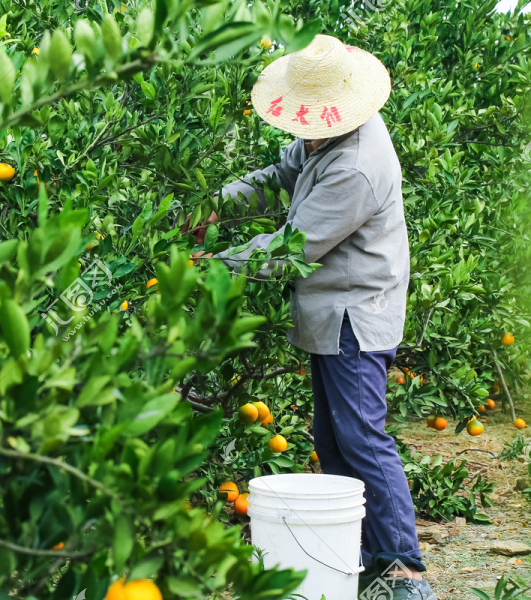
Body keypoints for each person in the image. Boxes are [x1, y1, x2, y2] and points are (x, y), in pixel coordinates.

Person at [185, 34, 437, 599]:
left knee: (362, 437)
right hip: (330, 308)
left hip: (355, 314)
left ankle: (405, 569)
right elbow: (280, 173)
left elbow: (291, 250)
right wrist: (216, 204)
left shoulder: (356, 166)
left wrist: (213, 263)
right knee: (332, 435)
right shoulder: (325, 133)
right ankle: (362, 553)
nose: (301, 130)